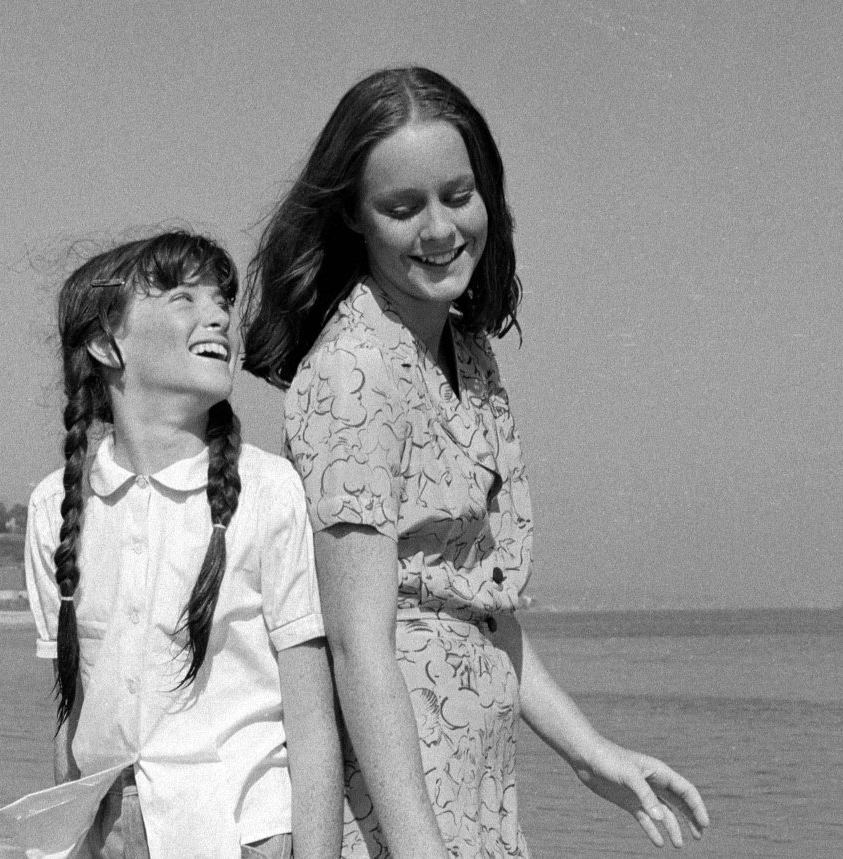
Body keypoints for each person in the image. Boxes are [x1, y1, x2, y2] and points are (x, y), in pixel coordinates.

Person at [241, 68, 711, 858]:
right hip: (395, 798)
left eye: (457, 196)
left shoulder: (468, 351)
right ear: (353, 217)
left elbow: (476, 608)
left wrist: (593, 754)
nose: (438, 229)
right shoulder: (356, 370)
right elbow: (358, 645)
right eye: (402, 208)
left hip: (475, 776)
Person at [22, 230, 342, 859]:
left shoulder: (269, 490)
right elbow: (72, 712)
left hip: (243, 832)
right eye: (182, 297)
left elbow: (312, 721)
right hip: (110, 832)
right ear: (105, 342)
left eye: (222, 299)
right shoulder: (51, 508)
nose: (218, 315)